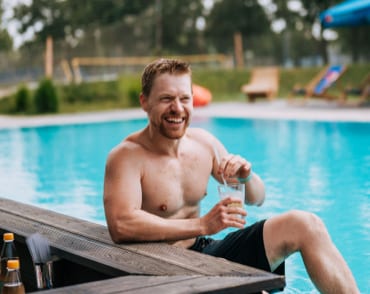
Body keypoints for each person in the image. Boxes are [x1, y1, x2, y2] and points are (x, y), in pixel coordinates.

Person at [103, 58, 359, 294]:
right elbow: (122, 225)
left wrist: (246, 176)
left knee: (305, 224)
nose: (177, 108)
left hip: (203, 253)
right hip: (158, 268)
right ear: (144, 102)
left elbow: (257, 198)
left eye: (185, 98)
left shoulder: (203, 144)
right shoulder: (127, 157)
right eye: (166, 98)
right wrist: (203, 225)